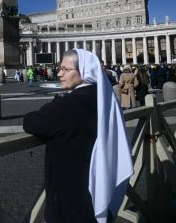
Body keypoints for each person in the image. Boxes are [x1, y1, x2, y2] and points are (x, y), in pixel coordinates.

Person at [23, 49, 133, 222]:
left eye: (66, 70)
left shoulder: (68, 105)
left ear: (84, 72)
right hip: (97, 184)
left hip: (69, 195)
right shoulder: (104, 97)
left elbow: (30, 122)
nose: (59, 73)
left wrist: (55, 102)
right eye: (60, 69)